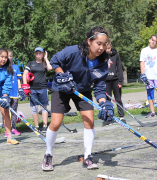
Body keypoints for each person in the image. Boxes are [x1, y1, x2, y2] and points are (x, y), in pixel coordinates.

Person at [42, 26, 114, 171]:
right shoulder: (73, 51)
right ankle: (48, 154)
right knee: (55, 123)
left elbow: (99, 88)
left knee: (90, 121)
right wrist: (62, 76)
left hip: (83, 90)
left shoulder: (103, 63)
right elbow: (55, 60)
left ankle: (87, 157)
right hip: (61, 88)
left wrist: (104, 103)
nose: (101, 47)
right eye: (98, 43)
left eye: (104, 44)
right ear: (89, 41)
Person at [22, 47, 52, 133]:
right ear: (35, 54)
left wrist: (46, 59)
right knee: (34, 108)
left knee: (44, 107)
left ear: (42, 54)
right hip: (32, 89)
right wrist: (25, 86)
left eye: (40, 53)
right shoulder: (30, 63)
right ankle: (36, 126)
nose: (38, 55)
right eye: (37, 53)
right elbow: (25, 74)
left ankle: (45, 126)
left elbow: (50, 68)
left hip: (42, 88)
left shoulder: (44, 63)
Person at [139, 34, 157, 118]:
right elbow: (142, 63)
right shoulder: (144, 50)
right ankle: (152, 111)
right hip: (148, 75)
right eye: (152, 40)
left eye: (155, 41)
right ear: (149, 40)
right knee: (150, 93)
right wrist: (143, 74)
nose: (153, 42)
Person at [2, 49, 25, 137]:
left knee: (14, 111)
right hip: (6, 93)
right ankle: (6, 130)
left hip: (14, 93)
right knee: (5, 112)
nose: (9, 58)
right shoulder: (3, 68)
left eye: (10, 56)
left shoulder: (16, 67)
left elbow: (19, 79)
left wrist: (20, 89)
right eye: (7, 56)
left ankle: (14, 128)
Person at [104, 38, 125, 126]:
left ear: (111, 46)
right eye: (105, 49)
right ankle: (108, 117)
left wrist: (120, 81)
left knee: (118, 99)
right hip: (106, 81)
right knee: (107, 100)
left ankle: (121, 117)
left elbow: (119, 68)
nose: (107, 50)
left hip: (115, 80)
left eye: (108, 48)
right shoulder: (101, 56)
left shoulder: (116, 56)